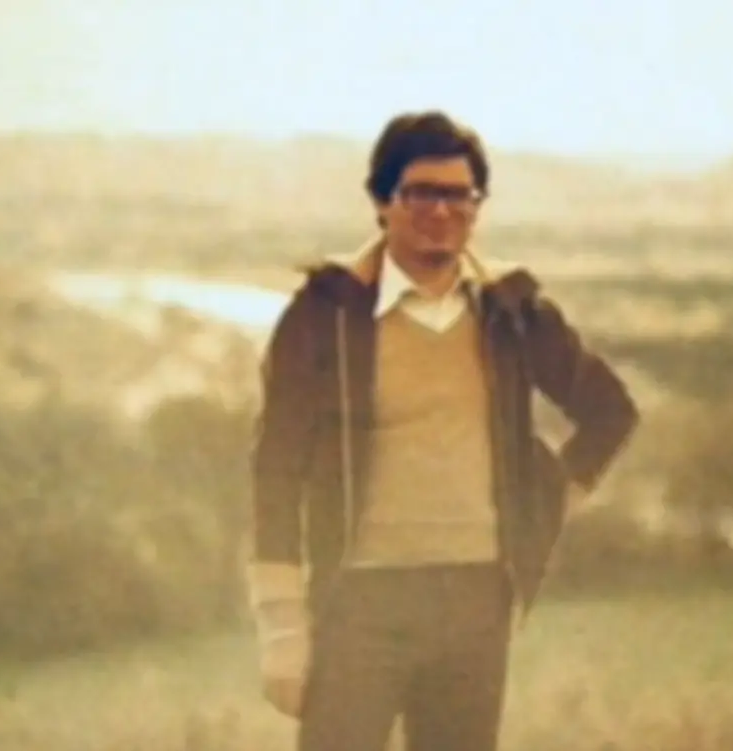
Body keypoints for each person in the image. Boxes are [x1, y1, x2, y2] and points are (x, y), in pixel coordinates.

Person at [245, 110, 639, 751]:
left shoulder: (511, 311)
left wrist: (545, 504)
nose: (442, 210)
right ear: (382, 203)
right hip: (357, 603)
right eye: (421, 193)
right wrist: (283, 628)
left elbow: (610, 412)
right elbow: (276, 470)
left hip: (476, 602)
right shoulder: (325, 313)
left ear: (477, 207)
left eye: (460, 195)